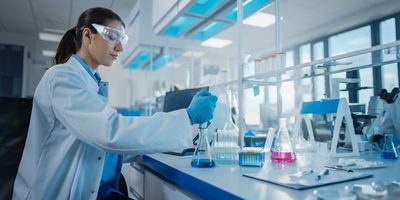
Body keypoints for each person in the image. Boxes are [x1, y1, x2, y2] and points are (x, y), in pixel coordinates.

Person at [13, 7, 217, 200]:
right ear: (87, 36)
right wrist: (187, 116)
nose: (119, 47)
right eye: (112, 37)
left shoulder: (92, 83)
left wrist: (152, 142)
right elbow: (109, 132)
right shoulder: (62, 77)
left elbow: (100, 142)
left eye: (123, 40)